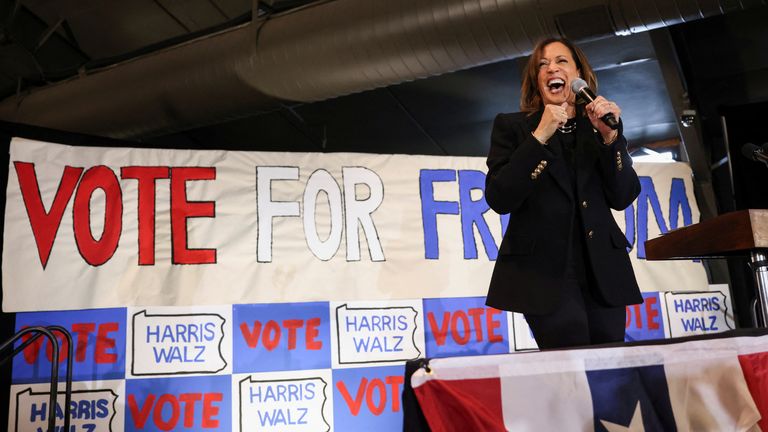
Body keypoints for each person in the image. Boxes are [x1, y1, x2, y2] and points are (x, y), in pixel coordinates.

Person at [484, 38, 642, 349]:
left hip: (603, 271)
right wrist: (540, 136)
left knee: (610, 372)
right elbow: (500, 198)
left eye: (561, 61)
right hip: (545, 275)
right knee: (571, 367)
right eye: (543, 65)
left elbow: (623, 196)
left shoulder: (599, 127)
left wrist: (611, 138)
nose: (551, 68)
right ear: (536, 80)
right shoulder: (514, 128)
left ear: (580, 73)